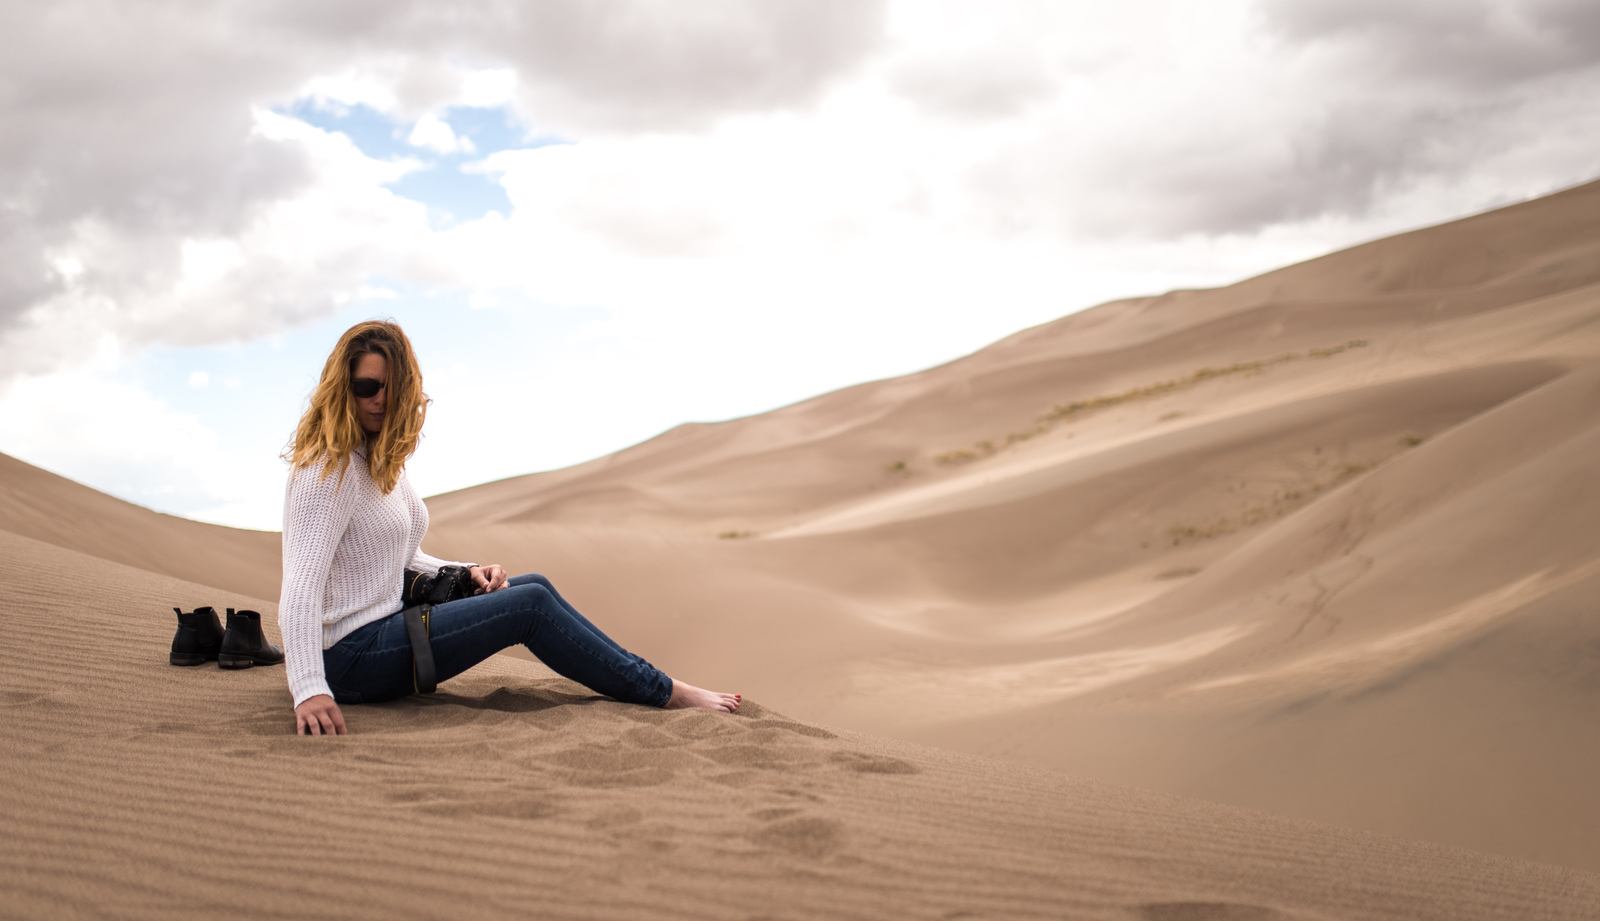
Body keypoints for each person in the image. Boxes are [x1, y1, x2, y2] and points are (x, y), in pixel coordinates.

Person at [279, 319, 742, 736]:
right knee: (531, 605)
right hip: (351, 659)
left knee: (533, 585)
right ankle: (663, 691)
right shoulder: (327, 469)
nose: (378, 398)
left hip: (387, 633)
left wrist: (466, 571)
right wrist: (309, 689)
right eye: (365, 387)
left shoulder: (376, 462)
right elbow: (300, 589)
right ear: (342, 389)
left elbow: (395, 557)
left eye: (388, 387)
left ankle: (654, 681)